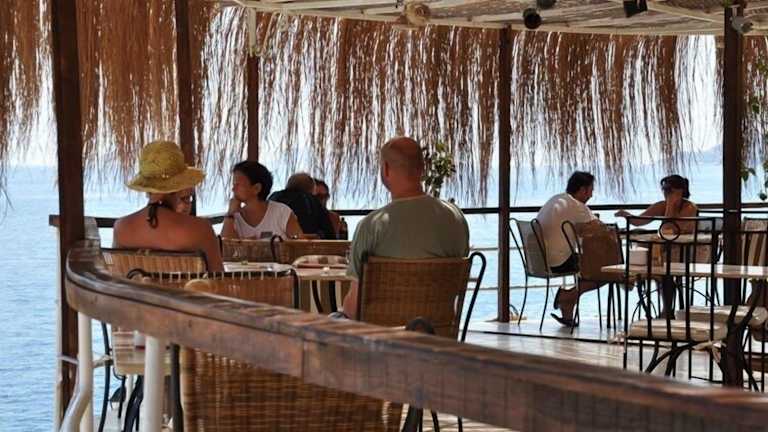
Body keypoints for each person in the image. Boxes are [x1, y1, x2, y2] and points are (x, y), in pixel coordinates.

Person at [342, 137, 470, 319]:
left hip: (382, 335)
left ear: (386, 169)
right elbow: (456, 287)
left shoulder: (372, 226)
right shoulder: (455, 218)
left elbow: (353, 309)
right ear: (423, 168)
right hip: (437, 331)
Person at [113, 140, 224, 271]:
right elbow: (218, 277)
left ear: (147, 188)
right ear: (180, 186)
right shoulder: (200, 229)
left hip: (135, 285)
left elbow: (118, 275)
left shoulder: (121, 227)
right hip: (187, 285)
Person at [536, 171, 602, 326]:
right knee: (606, 270)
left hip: (541, 261)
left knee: (588, 263)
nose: (591, 195)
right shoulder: (576, 205)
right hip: (559, 262)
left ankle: (568, 309)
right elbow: (599, 228)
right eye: (590, 190)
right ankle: (568, 296)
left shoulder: (555, 200)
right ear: (583, 190)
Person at [221, 161, 302, 240]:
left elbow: (300, 245)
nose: (233, 189)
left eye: (237, 184)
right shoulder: (234, 218)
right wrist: (230, 214)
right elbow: (224, 246)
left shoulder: (282, 212)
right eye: (233, 185)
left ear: (256, 188)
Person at [615, 174, 698, 232]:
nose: (666, 193)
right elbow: (639, 220)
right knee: (637, 232)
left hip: (685, 245)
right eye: (664, 190)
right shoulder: (662, 205)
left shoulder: (690, 207)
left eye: (669, 190)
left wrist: (670, 205)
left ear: (680, 191)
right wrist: (626, 214)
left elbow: (668, 230)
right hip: (667, 242)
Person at [269, 173, 336, 239]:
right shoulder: (311, 201)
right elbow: (330, 235)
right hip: (304, 243)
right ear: (311, 188)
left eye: (325, 196)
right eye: (319, 196)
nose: (323, 199)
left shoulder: (274, 197)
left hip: (271, 241)